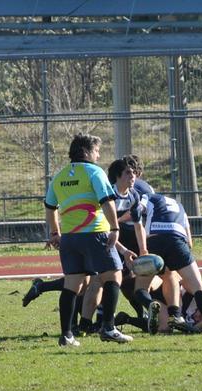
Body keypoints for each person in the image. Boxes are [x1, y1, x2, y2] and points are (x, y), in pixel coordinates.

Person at [44, 132, 132, 346]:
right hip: (95, 233)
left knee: (72, 284)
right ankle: (108, 328)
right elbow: (107, 202)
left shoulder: (59, 176)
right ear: (86, 152)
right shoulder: (94, 172)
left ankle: (66, 335)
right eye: (96, 151)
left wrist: (55, 233)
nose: (98, 155)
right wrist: (114, 228)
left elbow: (50, 207)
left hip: (69, 238)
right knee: (114, 276)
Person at [131, 192, 202, 334]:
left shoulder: (149, 197)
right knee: (198, 287)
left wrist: (140, 239)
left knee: (141, 288)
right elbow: (189, 242)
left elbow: (136, 211)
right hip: (177, 240)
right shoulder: (180, 206)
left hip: (154, 238)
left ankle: (151, 304)